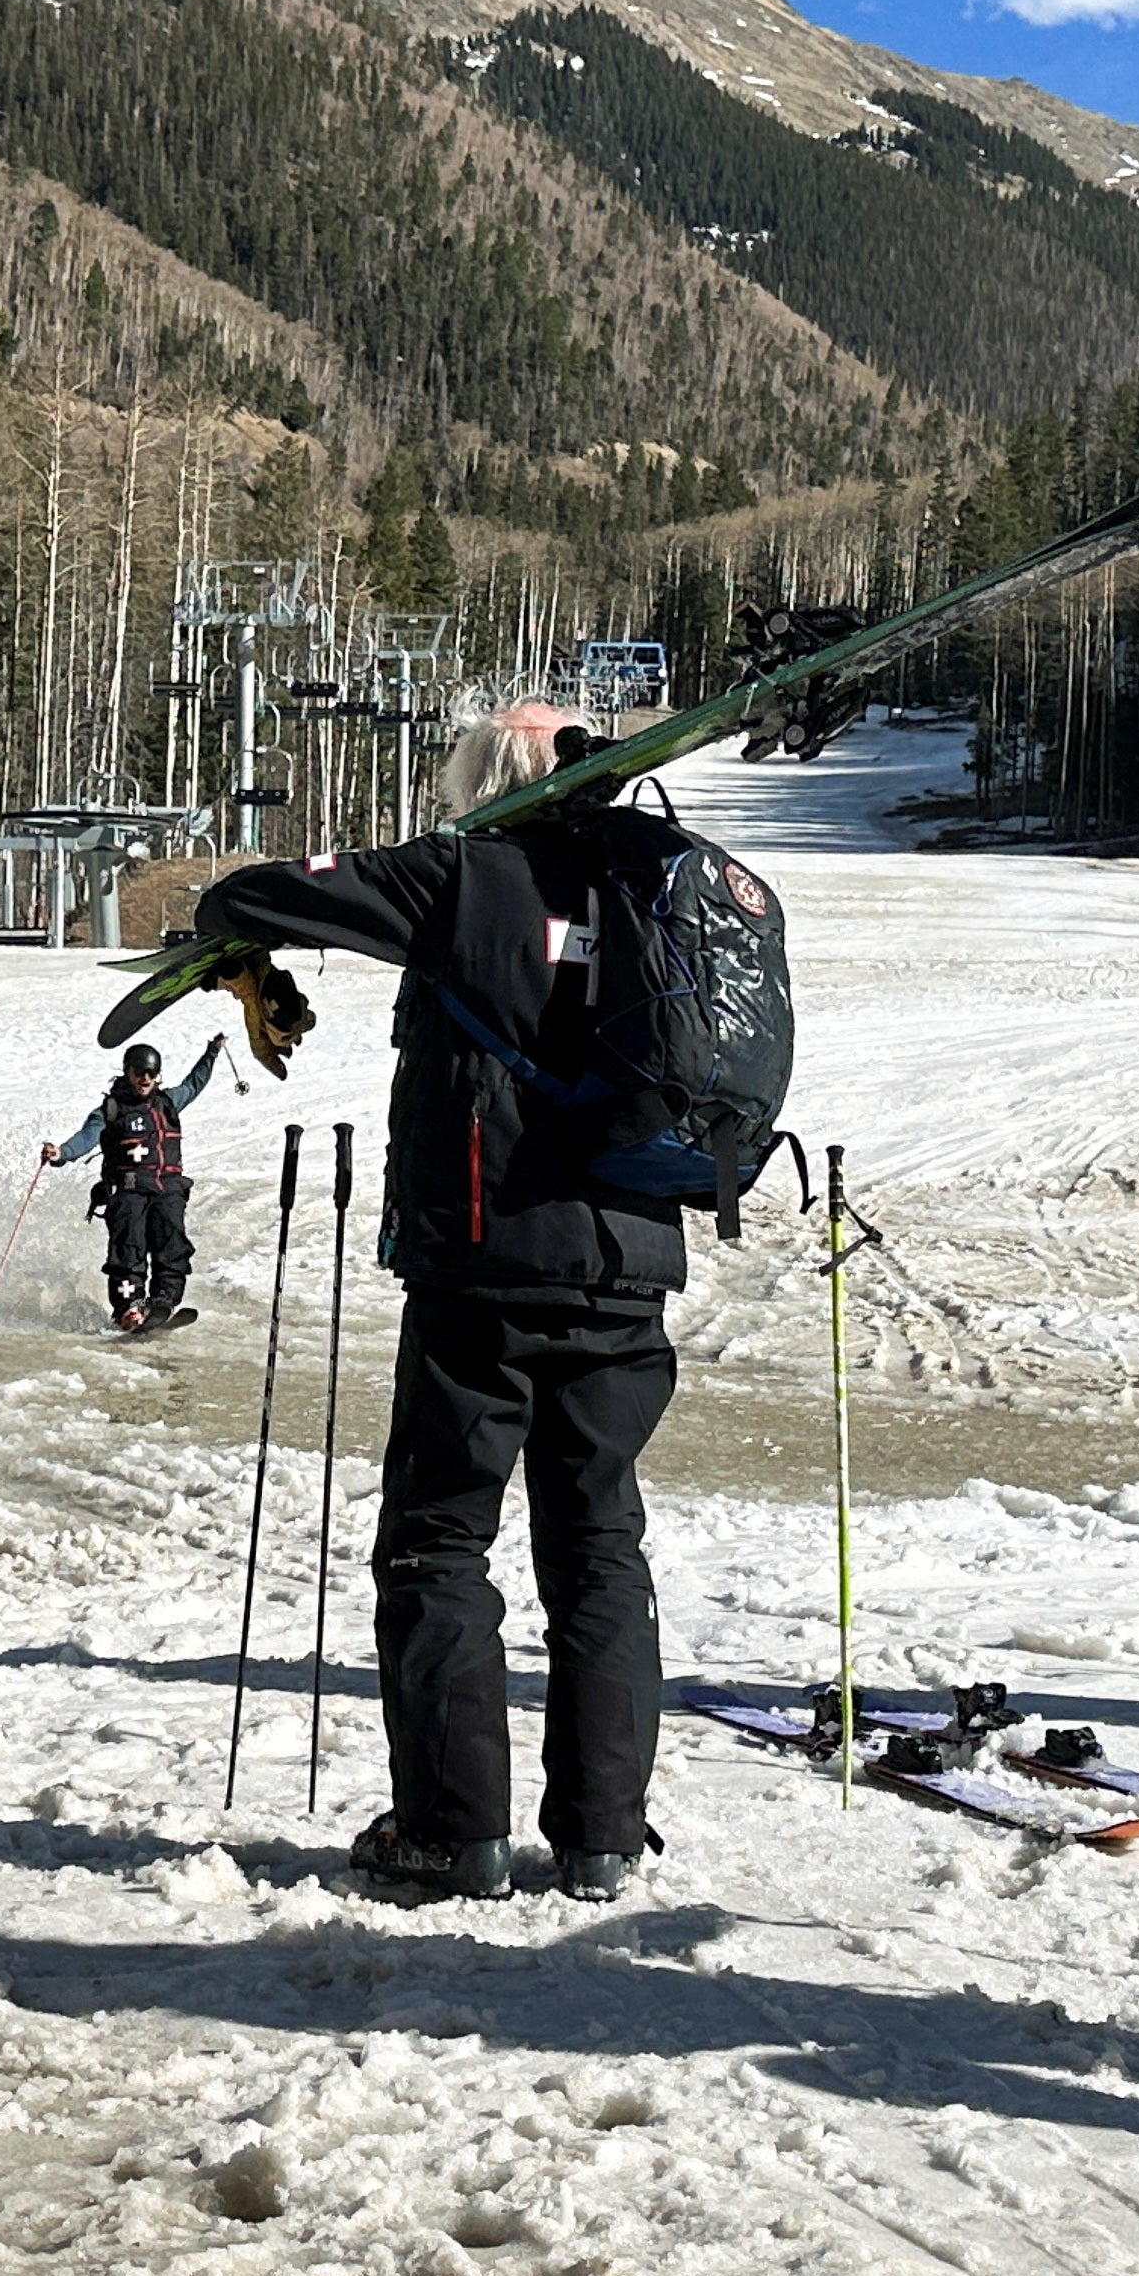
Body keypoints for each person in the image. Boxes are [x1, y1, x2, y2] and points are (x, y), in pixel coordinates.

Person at [184, 700, 679, 1905]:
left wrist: (244, 954)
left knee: (439, 1539)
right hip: (628, 1262)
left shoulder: (459, 875)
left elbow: (247, 891)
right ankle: (603, 1836)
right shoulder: (661, 886)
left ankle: (454, 1829)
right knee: (601, 1544)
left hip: (483, 1260)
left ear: (483, 781)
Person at [50, 1036, 224, 1332]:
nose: (145, 1079)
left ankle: (163, 1301)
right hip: (128, 1191)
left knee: (171, 1245)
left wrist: (211, 1053)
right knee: (129, 1249)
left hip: (168, 1189)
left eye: (151, 1074)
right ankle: (128, 1307)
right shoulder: (111, 1109)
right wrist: (62, 1153)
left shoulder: (168, 1102)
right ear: (127, 1072)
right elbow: (86, 1138)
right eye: (139, 1072)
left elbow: (194, 1084)